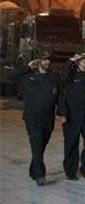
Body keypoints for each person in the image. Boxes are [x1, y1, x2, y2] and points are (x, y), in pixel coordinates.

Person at [10, 51, 61, 186]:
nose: (47, 62)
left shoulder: (54, 78)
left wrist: (63, 113)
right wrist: (27, 66)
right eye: (44, 60)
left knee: (41, 145)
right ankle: (40, 175)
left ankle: (34, 170)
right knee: (37, 143)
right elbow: (11, 76)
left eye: (49, 60)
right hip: (32, 118)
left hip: (48, 118)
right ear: (38, 62)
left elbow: (59, 96)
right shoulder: (27, 77)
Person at [59, 50, 85, 181]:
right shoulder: (71, 74)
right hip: (72, 114)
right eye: (83, 58)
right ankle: (70, 171)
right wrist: (70, 62)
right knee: (71, 143)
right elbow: (62, 77)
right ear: (77, 61)